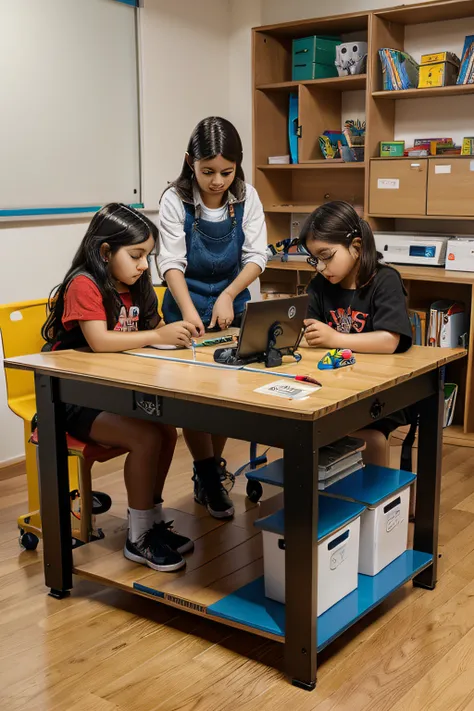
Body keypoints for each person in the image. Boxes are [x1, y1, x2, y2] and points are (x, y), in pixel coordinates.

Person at [42, 203, 198, 572]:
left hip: (114, 393)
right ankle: (138, 537)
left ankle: (153, 523)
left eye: (147, 256)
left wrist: (171, 335)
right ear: (105, 251)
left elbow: (152, 328)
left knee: (166, 432)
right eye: (137, 255)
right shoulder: (84, 284)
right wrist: (156, 335)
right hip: (74, 399)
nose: (145, 265)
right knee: (145, 438)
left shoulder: (136, 284)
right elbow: (98, 340)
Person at [156, 116, 268, 519]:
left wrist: (228, 294)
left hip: (231, 305)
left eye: (227, 171)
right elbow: (171, 262)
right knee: (193, 398)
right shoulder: (176, 200)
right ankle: (207, 474)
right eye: (207, 172)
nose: (217, 181)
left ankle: (209, 471)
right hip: (183, 303)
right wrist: (188, 312)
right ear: (190, 163)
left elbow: (257, 256)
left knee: (225, 398)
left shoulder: (246, 197)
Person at [300, 201, 413, 466]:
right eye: (314, 259)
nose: (321, 267)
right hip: (334, 387)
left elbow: (390, 340)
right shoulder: (320, 285)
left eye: (327, 256)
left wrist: (335, 339)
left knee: (364, 437)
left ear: (357, 246)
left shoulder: (385, 280)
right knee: (304, 427)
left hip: (381, 392)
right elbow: (310, 330)